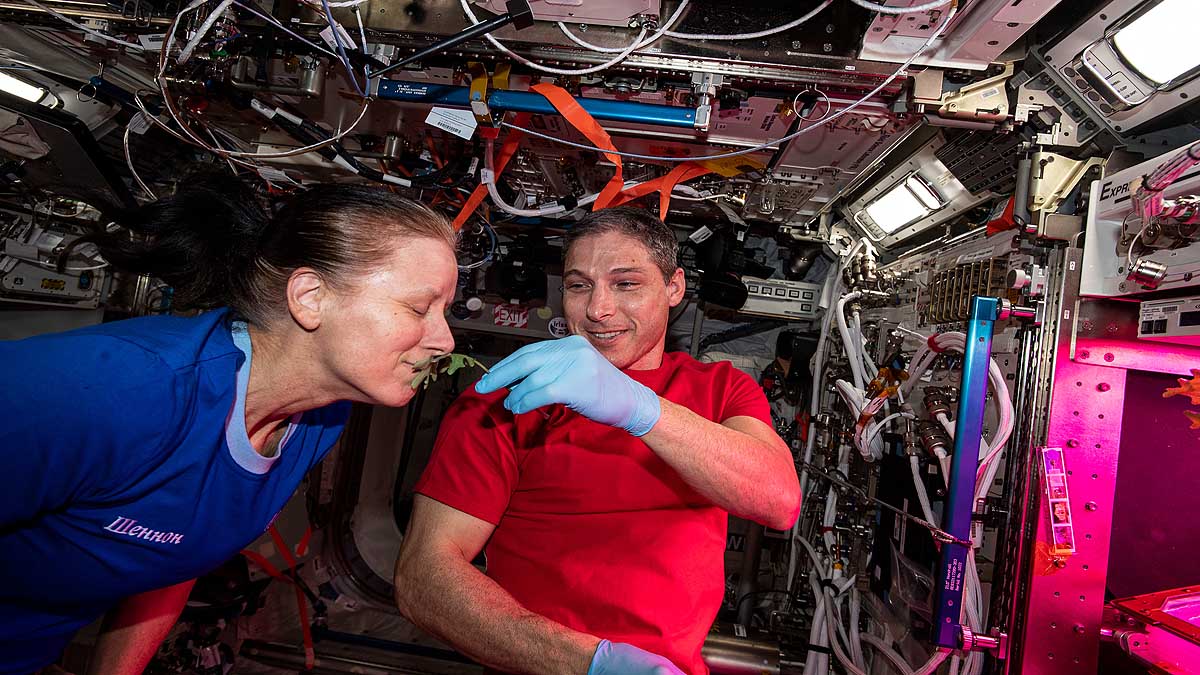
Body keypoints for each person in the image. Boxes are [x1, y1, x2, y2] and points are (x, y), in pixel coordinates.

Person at [0, 175, 459, 675]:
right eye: (419, 308)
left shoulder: (319, 421)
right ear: (310, 296)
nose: (445, 340)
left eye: (445, 312)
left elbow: (177, 551)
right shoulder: (120, 390)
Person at [395, 207, 802, 675]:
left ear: (674, 288)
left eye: (626, 284)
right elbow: (422, 579)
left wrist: (640, 409)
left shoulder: (721, 389)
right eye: (578, 285)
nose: (597, 309)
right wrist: (591, 664)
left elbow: (778, 499)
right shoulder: (507, 401)